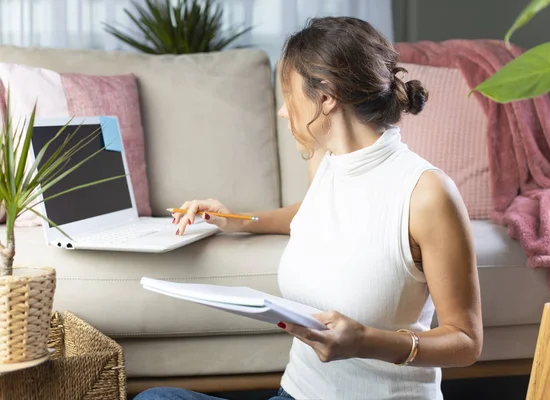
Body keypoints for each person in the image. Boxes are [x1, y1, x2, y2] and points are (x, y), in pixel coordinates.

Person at [135, 16, 482, 400]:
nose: (284, 112)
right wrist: (232, 220)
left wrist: (366, 341)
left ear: (326, 96)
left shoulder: (427, 194)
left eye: (290, 96)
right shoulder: (327, 161)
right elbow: (315, 216)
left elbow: (465, 341)